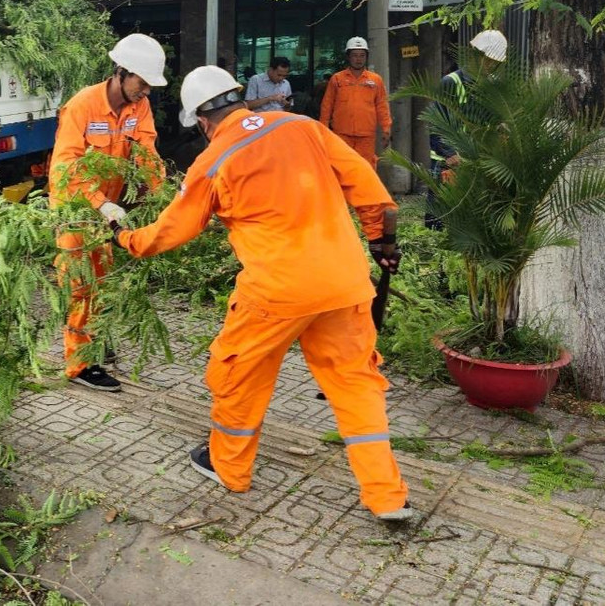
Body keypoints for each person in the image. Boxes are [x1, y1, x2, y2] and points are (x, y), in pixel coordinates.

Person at [116, 66, 412, 522]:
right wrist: (380, 242)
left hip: (277, 292)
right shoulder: (305, 126)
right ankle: (387, 497)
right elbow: (369, 188)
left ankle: (229, 467)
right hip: (344, 282)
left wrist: (126, 238)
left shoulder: (213, 160)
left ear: (201, 120)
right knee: (356, 387)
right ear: (239, 98)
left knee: (239, 375)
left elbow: (172, 230)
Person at [50, 33, 166, 392]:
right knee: (82, 283)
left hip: (109, 209)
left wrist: (164, 195)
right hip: (76, 207)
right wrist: (100, 203)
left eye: (149, 85)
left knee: (103, 279)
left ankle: (94, 338)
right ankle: (79, 364)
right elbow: (66, 165)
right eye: (141, 82)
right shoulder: (82, 106)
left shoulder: (139, 106)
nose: (145, 90)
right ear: (122, 71)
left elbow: (146, 150)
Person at [425, 29, 508, 230]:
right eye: (488, 60)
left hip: (478, 161)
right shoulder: (452, 82)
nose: (491, 66)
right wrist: (450, 154)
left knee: (472, 220)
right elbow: (437, 121)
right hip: (449, 162)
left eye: (494, 62)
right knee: (441, 216)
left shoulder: (492, 86)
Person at [319, 37, 391, 167]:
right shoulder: (337, 79)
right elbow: (327, 105)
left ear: (366, 57)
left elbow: (382, 105)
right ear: (348, 57)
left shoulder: (375, 80)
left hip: (366, 135)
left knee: (365, 167)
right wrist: (323, 128)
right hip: (341, 134)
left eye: (362, 55)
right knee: (342, 167)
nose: (359, 59)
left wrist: (386, 128)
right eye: (355, 55)